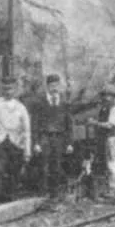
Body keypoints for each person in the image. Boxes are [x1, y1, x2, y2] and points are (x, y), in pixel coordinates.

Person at [0, 76, 32, 205]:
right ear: (2, 90)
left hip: (16, 144)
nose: (8, 92)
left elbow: (27, 130)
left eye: (10, 89)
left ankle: (10, 200)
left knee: (14, 172)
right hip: (0, 143)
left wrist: (27, 150)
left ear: (15, 90)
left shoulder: (20, 107)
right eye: (5, 89)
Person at [30, 74, 74, 204]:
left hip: (59, 138)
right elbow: (35, 123)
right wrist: (36, 142)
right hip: (45, 137)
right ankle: (42, 194)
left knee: (57, 166)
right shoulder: (40, 102)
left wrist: (69, 143)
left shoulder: (64, 103)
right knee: (44, 166)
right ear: (47, 86)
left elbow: (69, 124)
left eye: (57, 85)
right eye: (52, 85)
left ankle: (54, 194)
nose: (54, 88)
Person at [88, 84, 115, 198]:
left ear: (113, 97)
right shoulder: (104, 108)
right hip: (104, 139)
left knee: (112, 163)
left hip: (111, 139)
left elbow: (110, 125)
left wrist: (95, 123)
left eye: (109, 96)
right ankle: (107, 188)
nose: (106, 98)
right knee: (106, 164)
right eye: (105, 95)